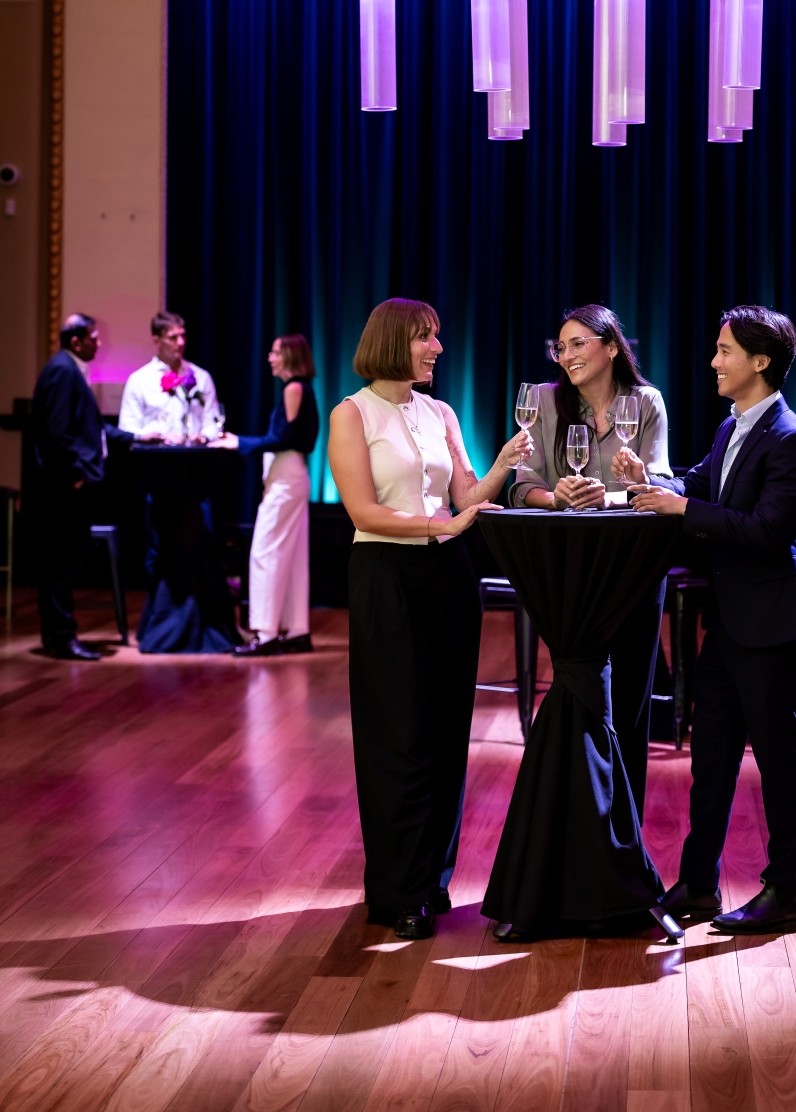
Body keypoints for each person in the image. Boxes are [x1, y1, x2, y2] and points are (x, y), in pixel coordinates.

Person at [328, 297, 530, 941]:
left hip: (448, 575)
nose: (438, 348)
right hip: (387, 574)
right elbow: (361, 512)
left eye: (437, 337)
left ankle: (432, 878)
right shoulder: (350, 414)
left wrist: (502, 464)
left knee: (446, 730)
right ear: (392, 342)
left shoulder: (440, 411)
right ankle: (397, 890)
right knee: (398, 733)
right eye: (426, 337)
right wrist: (441, 527)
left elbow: (466, 492)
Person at [621, 305, 796, 936]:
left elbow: (767, 531)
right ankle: (700, 885)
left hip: (770, 624)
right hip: (729, 623)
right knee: (709, 757)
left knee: (776, 759)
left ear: (760, 362)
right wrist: (650, 481)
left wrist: (682, 508)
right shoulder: (730, 427)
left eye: (724, 351)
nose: (714, 361)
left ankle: (786, 893)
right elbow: (700, 484)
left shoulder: (795, 440)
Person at [512, 303, 672, 820]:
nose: (567, 354)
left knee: (629, 704)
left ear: (610, 347)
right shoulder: (543, 400)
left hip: (632, 565)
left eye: (579, 343)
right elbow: (522, 488)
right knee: (578, 697)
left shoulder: (645, 402)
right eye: (561, 346)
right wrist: (555, 496)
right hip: (570, 569)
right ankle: (571, 828)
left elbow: (663, 485)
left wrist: (636, 482)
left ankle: (624, 836)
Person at [31, 314, 136, 660]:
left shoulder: (68, 368)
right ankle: (61, 637)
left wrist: (135, 437)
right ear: (76, 341)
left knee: (63, 562)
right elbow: (57, 432)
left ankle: (58, 635)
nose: (99, 342)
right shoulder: (63, 371)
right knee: (61, 563)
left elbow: (90, 428)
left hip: (69, 484)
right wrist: (76, 476)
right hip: (65, 488)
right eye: (93, 337)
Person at [213, 334, 319, 657]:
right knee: (293, 554)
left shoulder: (294, 388)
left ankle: (266, 632)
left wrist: (238, 442)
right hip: (294, 475)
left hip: (287, 478)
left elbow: (282, 438)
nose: (270, 358)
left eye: (275, 353)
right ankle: (297, 629)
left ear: (289, 356)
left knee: (266, 552)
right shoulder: (302, 389)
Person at [119, 311, 221, 443]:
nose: (181, 342)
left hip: (195, 456)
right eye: (173, 338)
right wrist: (159, 437)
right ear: (157, 341)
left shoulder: (201, 376)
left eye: (183, 336)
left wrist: (204, 436)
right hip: (154, 456)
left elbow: (212, 421)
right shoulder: (139, 380)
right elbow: (127, 428)